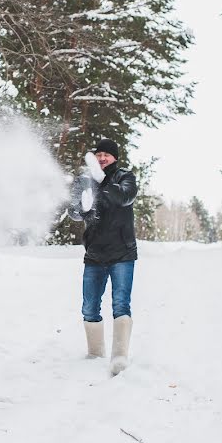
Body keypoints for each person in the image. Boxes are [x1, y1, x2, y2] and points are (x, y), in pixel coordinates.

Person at [68, 138, 137, 375]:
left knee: (120, 304)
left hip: (122, 253)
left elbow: (124, 197)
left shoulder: (125, 177)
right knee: (89, 307)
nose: (102, 158)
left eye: (107, 155)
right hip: (95, 253)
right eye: (98, 154)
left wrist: (102, 181)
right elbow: (74, 211)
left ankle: (119, 356)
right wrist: (82, 208)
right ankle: (95, 353)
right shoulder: (84, 181)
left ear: (115, 158)